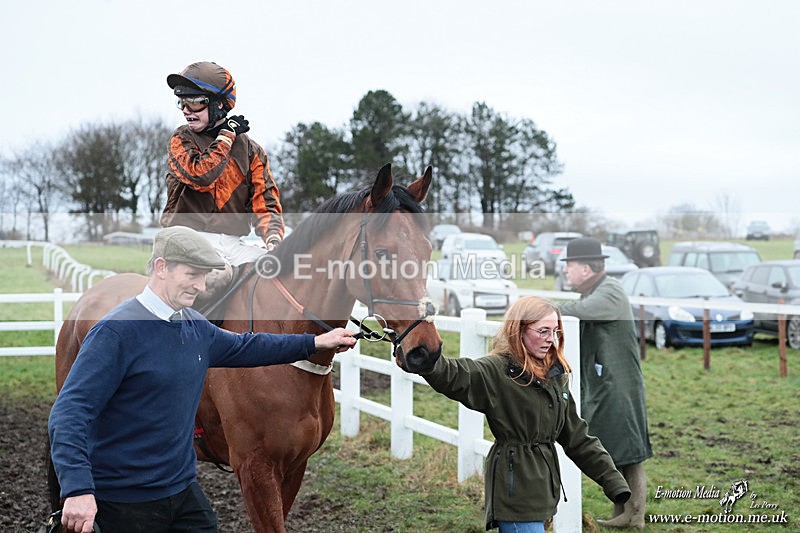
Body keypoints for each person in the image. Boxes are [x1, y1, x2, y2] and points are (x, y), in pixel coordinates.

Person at [48, 226, 356, 533]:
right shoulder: (115, 333)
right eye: (192, 274)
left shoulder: (194, 325)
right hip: (124, 497)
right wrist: (76, 490)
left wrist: (315, 343)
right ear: (161, 268)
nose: (200, 285)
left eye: (204, 276)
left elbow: (246, 346)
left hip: (180, 492)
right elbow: (69, 413)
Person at [403, 296, 631, 532]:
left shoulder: (554, 375)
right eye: (543, 331)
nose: (551, 340)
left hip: (544, 495)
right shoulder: (496, 371)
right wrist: (426, 360)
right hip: (514, 495)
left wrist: (612, 481)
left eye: (555, 331)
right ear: (518, 329)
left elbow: (578, 438)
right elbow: (455, 375)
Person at [161, 61, 284, 296]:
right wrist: (226, 135)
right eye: (181, 102)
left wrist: (274, 241)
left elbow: (265, 203)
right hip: (186, 240)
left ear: (219, 105)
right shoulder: (180, 140)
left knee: (283, 270)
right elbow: (202, 175)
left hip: (233, 244)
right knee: (218, 275)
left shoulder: (252, 152)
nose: (186, 110)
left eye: (194, 102)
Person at [557, 237, 653, 529]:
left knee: (628, 448)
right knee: (615, 445)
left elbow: (581, 312)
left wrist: (543, 309)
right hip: (606, 383)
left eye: (570, 266)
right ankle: (623, 511)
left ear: (586, 269)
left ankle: (634, 515)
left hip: (618, 385)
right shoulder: (594, 292)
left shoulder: (609, 291)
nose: (566, 272)